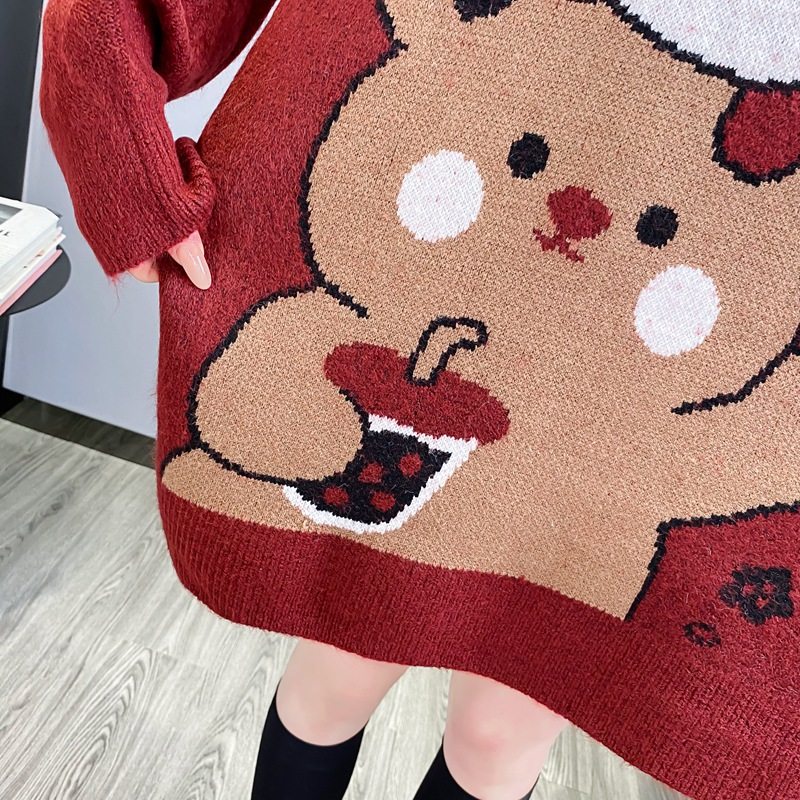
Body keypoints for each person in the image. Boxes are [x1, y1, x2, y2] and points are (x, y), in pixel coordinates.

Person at [39, 2, 800, 800]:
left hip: (619, 426)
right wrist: (120, 163)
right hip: (421, 294)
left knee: (497, 734)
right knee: (343, 664)